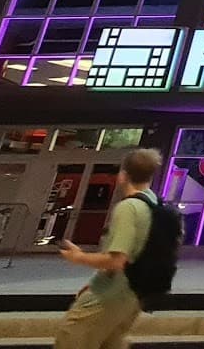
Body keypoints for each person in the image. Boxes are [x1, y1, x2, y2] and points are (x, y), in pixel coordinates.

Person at [55, 148, 162, 349]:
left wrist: (79, 257)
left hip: (108, 296)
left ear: (123, 175)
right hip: (133, 297)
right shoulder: (156, 206)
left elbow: (117, 260)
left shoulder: (129, 208)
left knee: (70, 340)